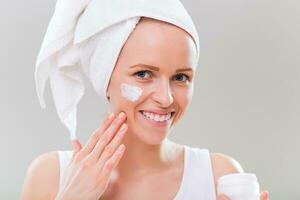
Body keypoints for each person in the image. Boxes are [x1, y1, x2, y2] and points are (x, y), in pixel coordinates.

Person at [21, 2, 269, 200]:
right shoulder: (51, 177)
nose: (166, 98)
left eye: (181, 77)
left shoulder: (219, 176)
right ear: (105, 78)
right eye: (143, 74)